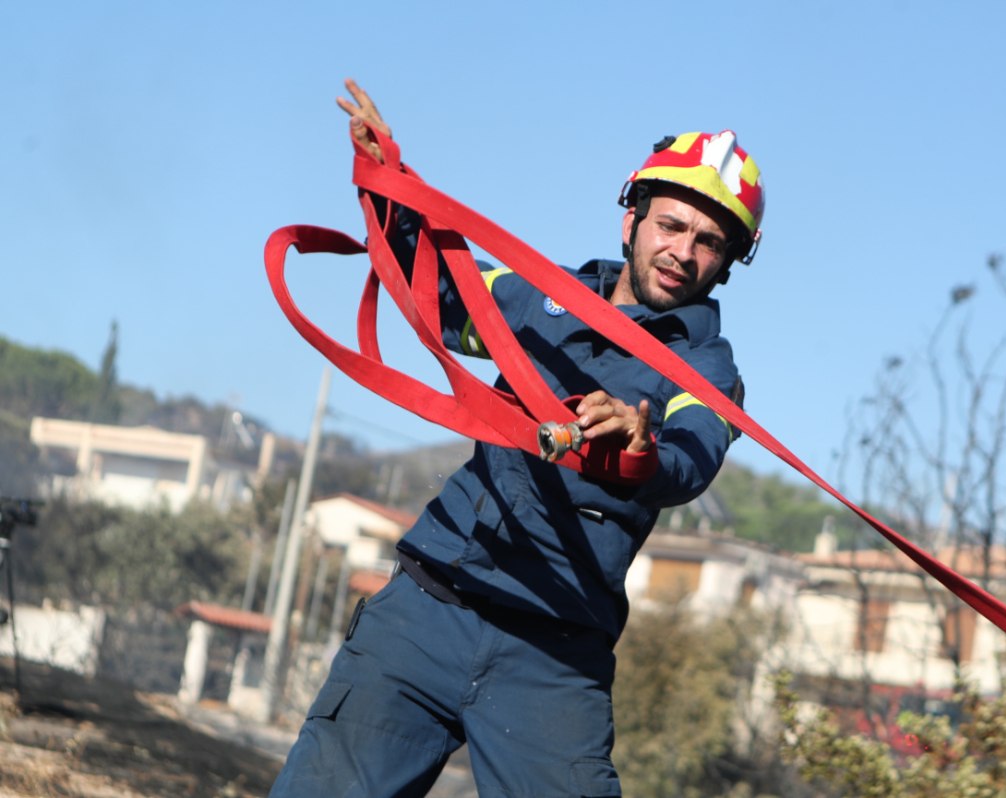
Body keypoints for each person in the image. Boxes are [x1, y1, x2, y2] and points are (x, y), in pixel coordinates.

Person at [268, 78, 765, 798]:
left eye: (708, 240)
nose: (682, 251)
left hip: (553, 661)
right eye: (670, 225)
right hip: (428, 611)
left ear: (725, 261)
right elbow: (436, 291)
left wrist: (640, 444)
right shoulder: (537, 297)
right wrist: (385, 182)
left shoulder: (707, 369)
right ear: (631, 222)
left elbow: (691, 460)